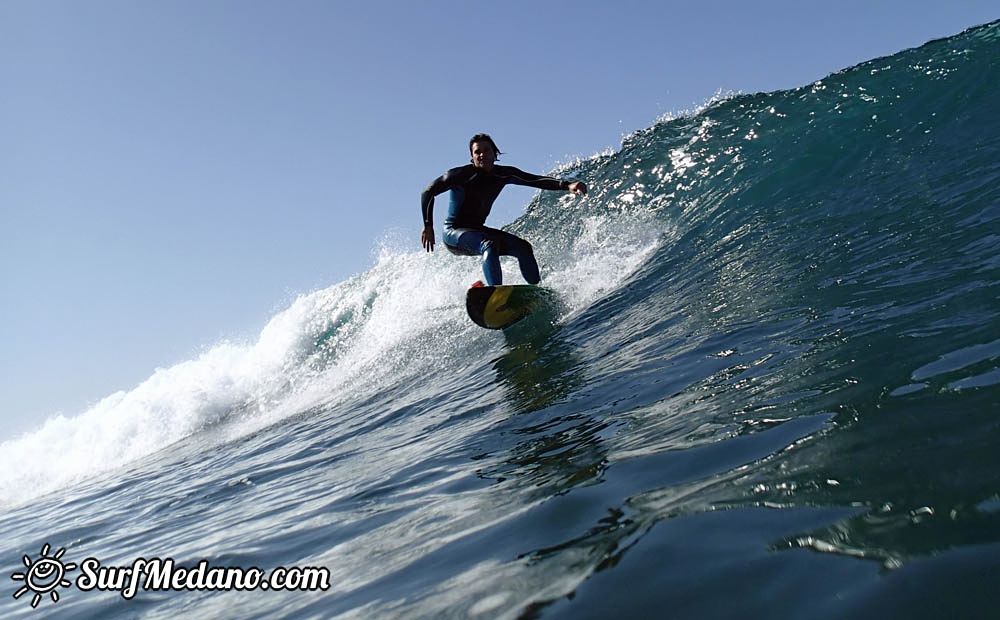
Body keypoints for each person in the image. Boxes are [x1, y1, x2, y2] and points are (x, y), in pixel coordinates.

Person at [420, 134, 587, 286]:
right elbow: (428, 192)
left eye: (486, 150)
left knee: (523, 247)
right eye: (477, 152)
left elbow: (534, 180)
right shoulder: (460, 175)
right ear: (472, 157)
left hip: (477, 230)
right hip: (454, 233)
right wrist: (428, 225)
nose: (482, 154)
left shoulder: (503, 174)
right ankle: (494, 293)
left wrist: (567, 185)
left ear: (495, 153)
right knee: (489, 245)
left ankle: (536, 291)